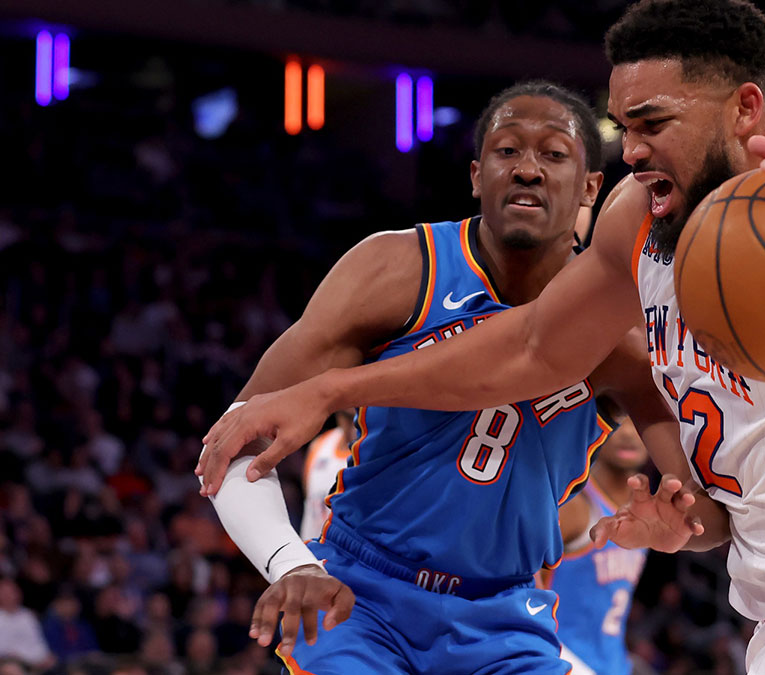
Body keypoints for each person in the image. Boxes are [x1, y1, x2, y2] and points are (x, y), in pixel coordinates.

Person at [199, 1, 765, 672]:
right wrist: (332, 390)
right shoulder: (635, 218)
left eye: (652, 122)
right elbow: (529, 350)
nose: (631, 149)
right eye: (623, 124)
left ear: (744, 108)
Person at [199, 80, 713, 674]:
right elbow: (234, 440)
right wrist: (290, 563)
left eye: (553, 154)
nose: (527, 169)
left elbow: (704, 512)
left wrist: (681, 530)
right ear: (476, 175)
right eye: (507, 151)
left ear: (591, 187)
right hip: (363, 596)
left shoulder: (619, 334)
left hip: (505, 616)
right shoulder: (397, 269)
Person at [544, 403, 648, 675]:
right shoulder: (574, 505)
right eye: (621, 421)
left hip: (612, 663)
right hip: (560, 658)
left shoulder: (645, 511)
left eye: (637, 423)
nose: (628, 433)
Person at [297, 410, 354, 542]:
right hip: (311, 556)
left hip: (347, 559)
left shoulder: (379, 450)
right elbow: (310, 508)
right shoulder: (320, 444)